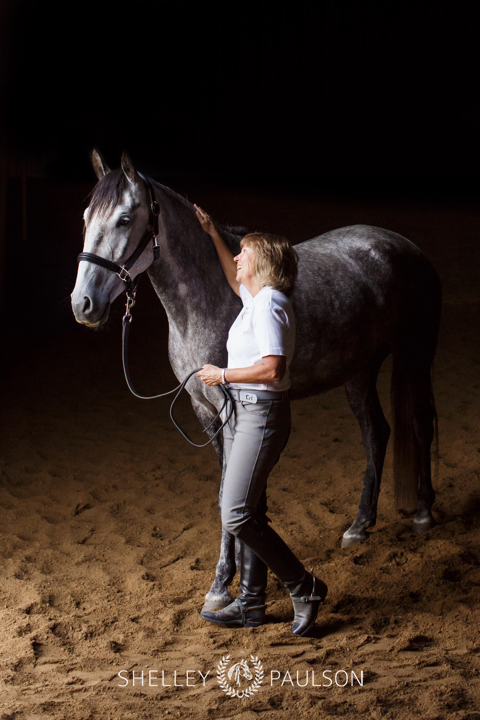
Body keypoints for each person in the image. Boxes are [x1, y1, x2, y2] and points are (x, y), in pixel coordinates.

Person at [194, 205, 328, 637]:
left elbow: (272, 368)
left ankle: (304, 587)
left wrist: (222, 374)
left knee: (234, 513)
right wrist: (214, 233)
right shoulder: (258, 298)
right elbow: (236, 281)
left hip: (260, 413)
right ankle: (251, 605)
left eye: (243, 253)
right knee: (248, 509)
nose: (237, 258)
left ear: (264, 262)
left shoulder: (271, 304)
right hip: (244, 411)